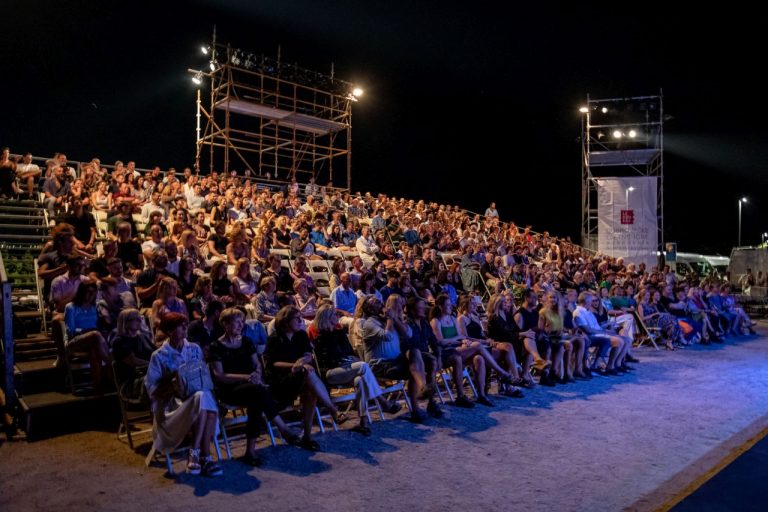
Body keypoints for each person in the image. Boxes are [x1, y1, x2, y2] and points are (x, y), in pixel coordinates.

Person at [209, 308, 301, 465]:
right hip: (230, 390)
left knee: (256, 399)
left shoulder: (246, 342)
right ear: (225, 324)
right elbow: (219, 375)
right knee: (258, 392)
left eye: (242, 321)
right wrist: (247, 377)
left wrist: (257, 374)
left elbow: (257, 364)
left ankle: (251, 452)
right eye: (237, 321)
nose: (241, 324)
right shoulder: (216, 346)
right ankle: (282, 428)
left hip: (252, 386)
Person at [145, 313, 222, 476]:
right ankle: (205, 457)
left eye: (186, 325)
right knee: (203, 399)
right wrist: (173, 381)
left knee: (202, 395)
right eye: (181, 326)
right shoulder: (159, 356)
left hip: (195, 399)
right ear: (170, 331)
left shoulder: (194, 349)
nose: (186, 328)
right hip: (173, 405)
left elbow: (202, 376)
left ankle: (197, 454)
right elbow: (153, 391)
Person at [264, 306, 348, 451]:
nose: (300, 321)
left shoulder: (301, 335)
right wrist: (295, 365)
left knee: (310, 387)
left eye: (300, 317)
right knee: (308, 374)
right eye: (296, 318)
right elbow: (272, 363)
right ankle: (333, 410)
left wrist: (302, 362)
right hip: (280, 381)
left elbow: (308, 354)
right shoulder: (275, 338)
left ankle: (307, 437)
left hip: (300, 376)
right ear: (286, 321)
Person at [311, 304, 394, 436]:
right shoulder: (321, 338)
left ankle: (363, 421)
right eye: (334, 314)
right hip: (330, 373)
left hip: (346, 368)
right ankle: (383, 401)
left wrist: (347, 358)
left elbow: (349, 352)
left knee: (360, 380)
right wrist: (345, 358)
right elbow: (331, 360)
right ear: (327, 318)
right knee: (363, 366)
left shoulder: (339, 333)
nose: (337, 316)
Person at [63, 281, 112, 393]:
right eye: (88, 292)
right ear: (81, 292)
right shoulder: (71, 307)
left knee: (94, 349)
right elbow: (71, 330)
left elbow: (104, 324)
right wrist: (88, 331)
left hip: (94, 341)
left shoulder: (95, 307)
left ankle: (98, 386)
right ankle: (111, 365)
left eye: (94, 292)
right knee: (95, 335)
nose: (91, 295)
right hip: (75, 341)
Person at [111, 308, 156, 404]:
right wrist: (155, 365)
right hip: (132, 381)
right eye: (135, 319)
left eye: (139, 318)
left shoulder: (142, 337)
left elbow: (156, 353)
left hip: (149, 373)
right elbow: (133, 361)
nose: (139, 321)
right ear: (125, 322)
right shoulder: (119, 342)